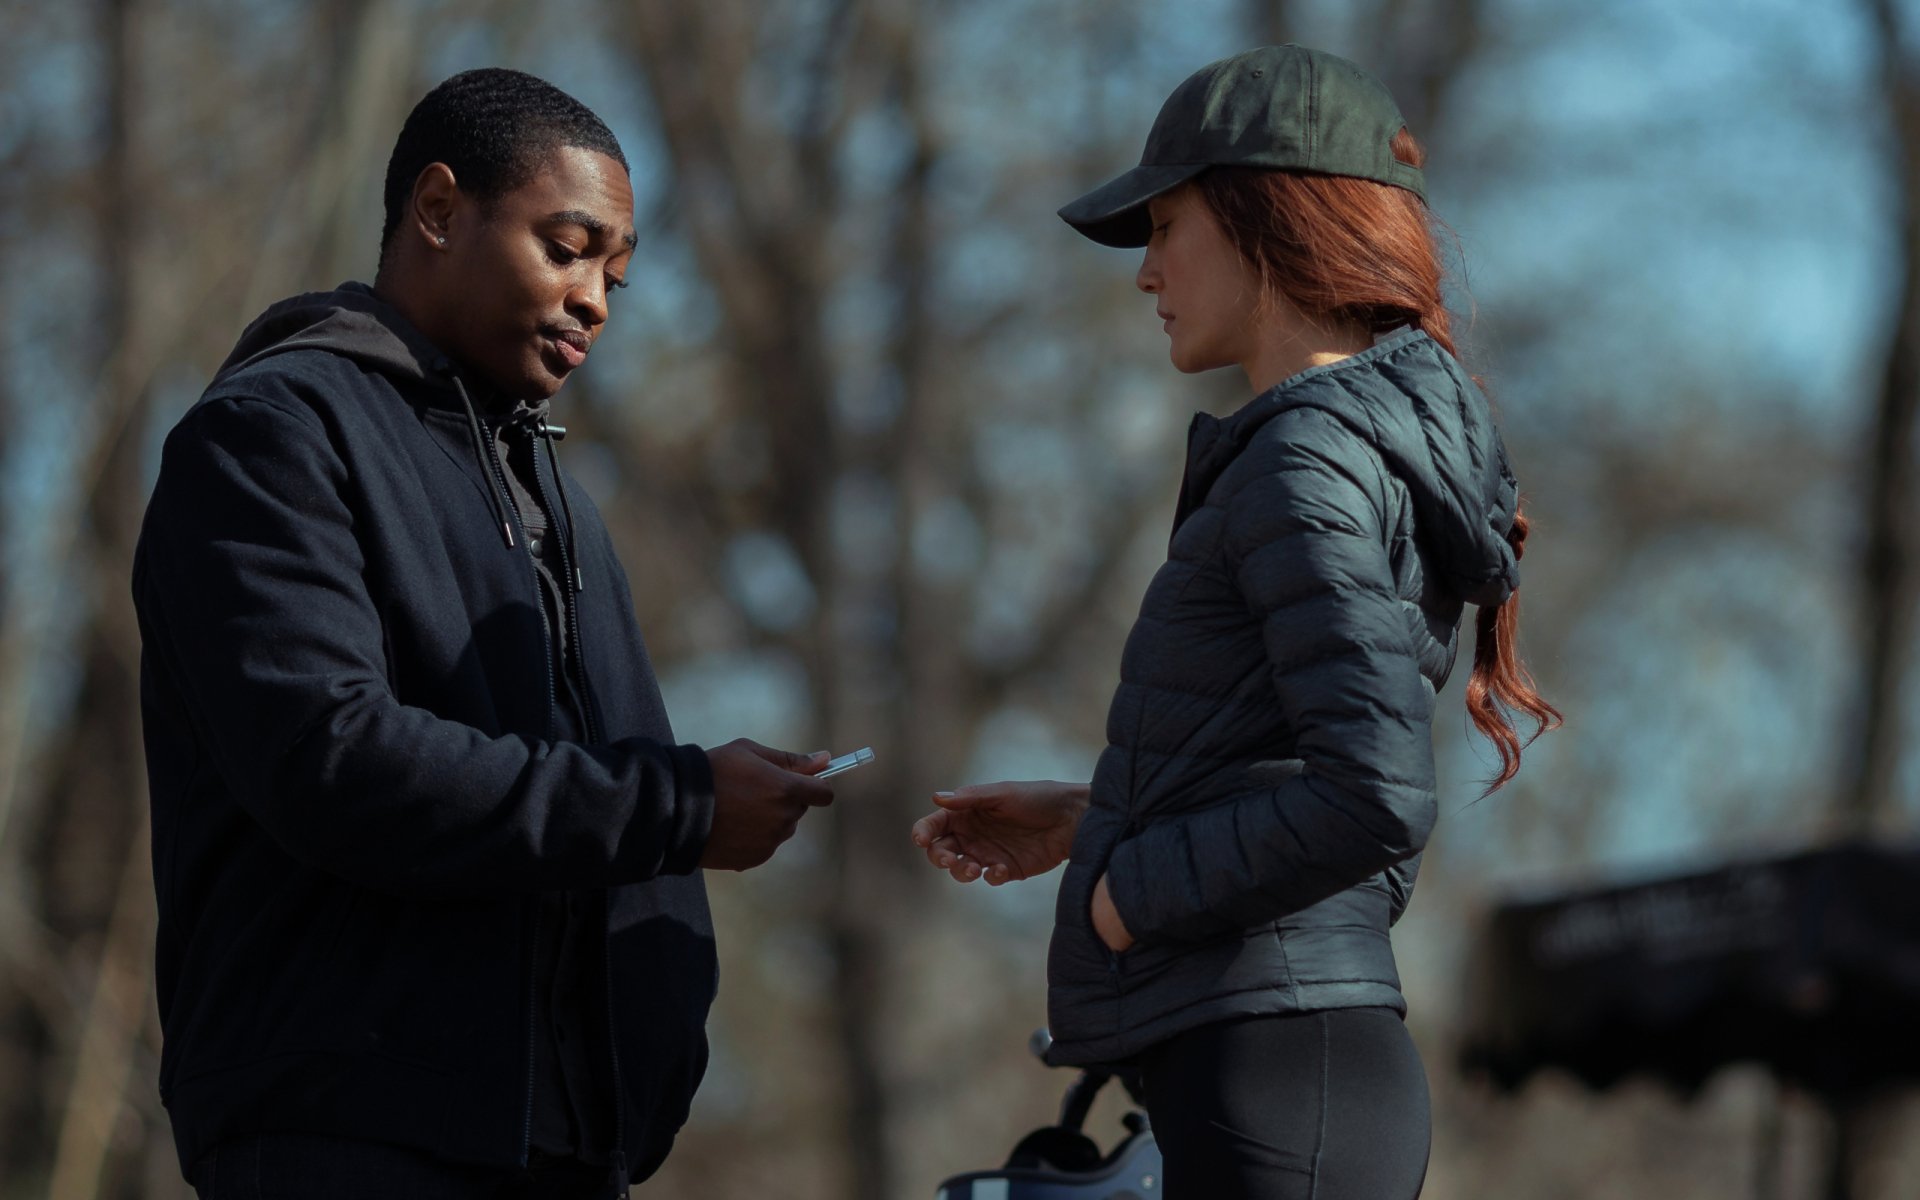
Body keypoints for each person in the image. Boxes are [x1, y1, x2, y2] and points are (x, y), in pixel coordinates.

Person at [134, 68, 836, 1199]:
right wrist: (685, 806)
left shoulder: (552, 493)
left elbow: (601, 769)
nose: (598, 298)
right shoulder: (269, 438)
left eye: (615, 270)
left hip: (563, 1151)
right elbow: (336, 765)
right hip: (344, 1136)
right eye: (567, 247)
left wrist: (648, 1064)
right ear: (440, 210)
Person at [910, 45, 1560, 1199]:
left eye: (1167, 227)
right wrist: (1096, 819)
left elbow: (1375, 793)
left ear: (1269, 223)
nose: (1148, 271)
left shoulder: (1303, 457)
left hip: (1277, 1074)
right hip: (1281, 1070)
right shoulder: (1344, 447)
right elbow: (1298, 756)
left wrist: (1127, 894)